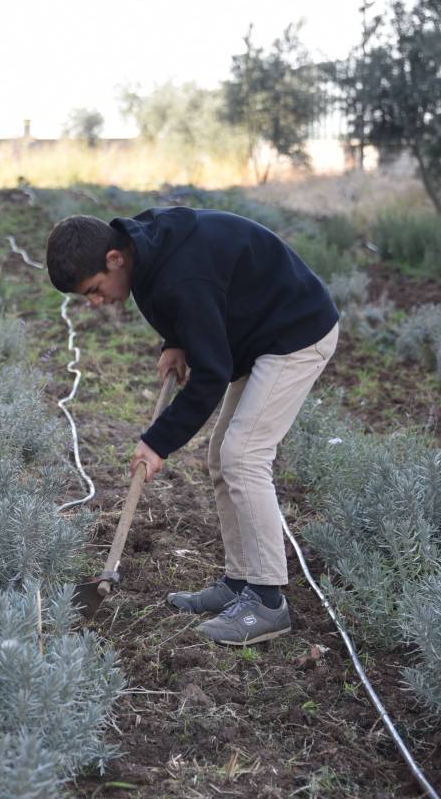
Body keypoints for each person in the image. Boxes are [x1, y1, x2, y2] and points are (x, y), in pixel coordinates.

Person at [45, 207, 338, 645]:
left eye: (94, 289)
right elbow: (195, 300)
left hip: (295, 334)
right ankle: (240, 583)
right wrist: (177, 341)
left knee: (244, 455)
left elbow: (211, 373)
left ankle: (268, 601)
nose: (95, 302)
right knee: (223, 456)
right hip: (256, 334)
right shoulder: (142, 247)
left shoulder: (179, 276)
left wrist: (157, 441)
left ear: (113, 259)